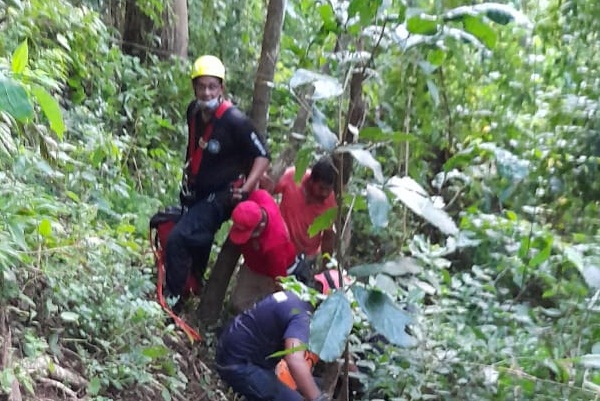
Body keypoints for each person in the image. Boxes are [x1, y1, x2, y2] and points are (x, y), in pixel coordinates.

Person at [164, 55, 270, 298]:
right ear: (194, 88)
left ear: (221, 88)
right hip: (197, 190)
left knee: (177, 239)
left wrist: (245, 189)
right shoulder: (193, 111)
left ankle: (173, 298)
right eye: (201, 86)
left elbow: (262, 155)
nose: (207, 92)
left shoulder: (235, 121)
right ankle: (194, 285)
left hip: (222, 195)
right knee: (198, 239)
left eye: (212, 86)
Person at [215, 271, 345, 401]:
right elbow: (295, 360)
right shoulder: (301, 315)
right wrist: (318, 398)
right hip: (238, 365)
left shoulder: (295, 299)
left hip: (232, 352)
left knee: (311, 385)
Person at [228, 189, 297, 312]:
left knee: (266, 309)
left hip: (270, 274)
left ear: (259, 227)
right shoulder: (259, 196)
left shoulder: (275, 245)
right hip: (252, 264)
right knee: (239, 304)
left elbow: (280, 281)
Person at [274, 156, 337, 262]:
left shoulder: (331, 203)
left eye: (328, 190)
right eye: (321, 188)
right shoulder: (293, 177)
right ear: (311, 180)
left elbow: (328, 237)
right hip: (278, 245)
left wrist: (326, 264)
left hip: (305, 257)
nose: (324, 193)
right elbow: (268, 190)